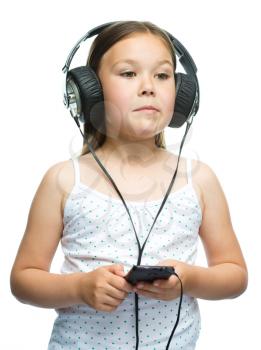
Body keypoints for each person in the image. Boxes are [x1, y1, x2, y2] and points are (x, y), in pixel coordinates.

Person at [10, 21, 248, 349]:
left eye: (162, 75)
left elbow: (235, 275)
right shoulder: (64, 180)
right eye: (128, 74)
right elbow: (23, 279)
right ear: (88, 88)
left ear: (182, 96)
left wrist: (190, 280)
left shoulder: (198, 179)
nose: (148, 86)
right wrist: (79, 288)